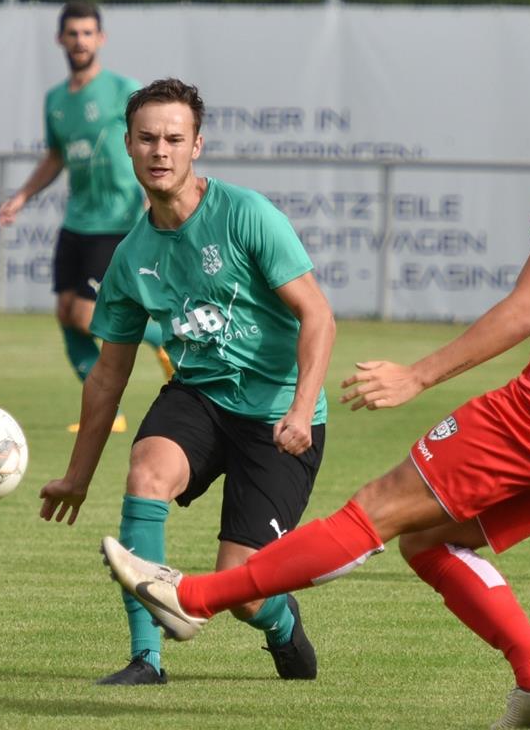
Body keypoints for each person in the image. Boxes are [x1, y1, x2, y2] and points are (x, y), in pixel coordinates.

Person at [100, 42, 530, 728]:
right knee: (429, 541)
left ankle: (191, 598)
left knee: (374, 509)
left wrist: (418, 374)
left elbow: (527, 310)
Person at [38, 78, 336, 686]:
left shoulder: (246, 215)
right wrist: (77, 475)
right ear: (127, 145)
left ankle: (281, 624)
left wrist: (302, 411)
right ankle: (146, 657)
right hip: (199, 394)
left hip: (278, 414)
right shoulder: (130, 257)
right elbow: (107, 379)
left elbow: (318, 315)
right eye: (147, 138)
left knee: (243, 593)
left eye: (174, 138)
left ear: (197, 144)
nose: (160, 151)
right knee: (146, 471)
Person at [0, 0, 172, 433]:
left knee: (84, 314)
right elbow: (56, 156)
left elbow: (150, 142)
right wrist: (23, 195)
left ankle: (166, 338)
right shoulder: (56, 99)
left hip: (117, 220)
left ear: (101, 39)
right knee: (64, 314)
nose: (80, 41)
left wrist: (155, 200)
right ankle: (106, 412)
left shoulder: (121, 89)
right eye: (72, 33)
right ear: (61, 39)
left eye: (87, 33)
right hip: (76, 220)